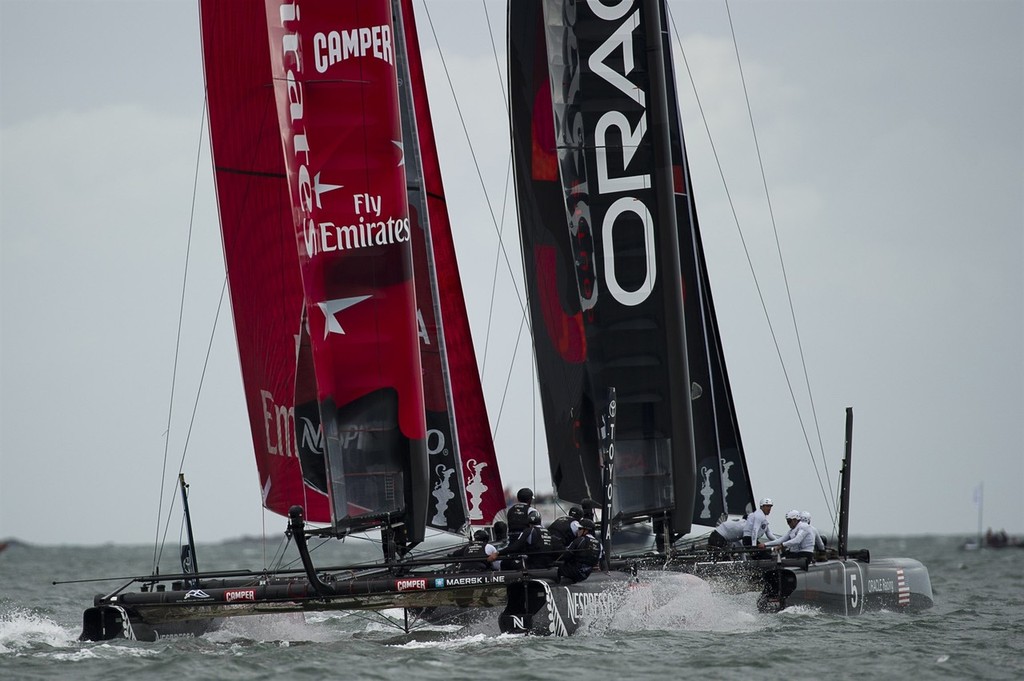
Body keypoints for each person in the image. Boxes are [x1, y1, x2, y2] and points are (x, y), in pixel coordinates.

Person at [489, 510, 559, 570]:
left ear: (528, 522)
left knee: (506, 563)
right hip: (548, 564)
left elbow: (515, 547)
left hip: (533, 565)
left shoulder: (529, 531)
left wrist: (498, 553)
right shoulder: (547, 532)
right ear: (540, 521)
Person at [556, 518, 603, 583]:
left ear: (586, 531)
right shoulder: (599, 544)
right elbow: (599, 561)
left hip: (575, 571)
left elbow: (565, 555)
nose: (577, 531)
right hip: (587, 574)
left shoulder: (580, 540)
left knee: (554, 570)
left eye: (580, 529)